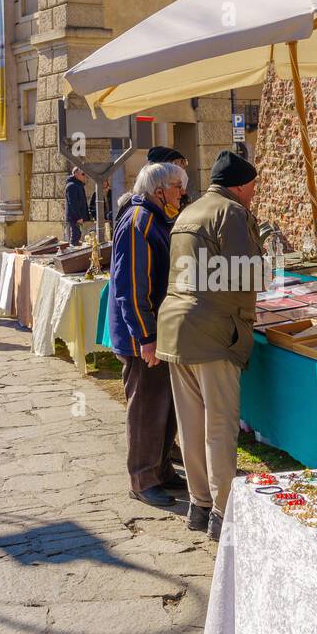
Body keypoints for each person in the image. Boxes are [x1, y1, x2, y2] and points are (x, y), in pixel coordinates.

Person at [156, 149, 263, 542]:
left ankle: (199, 505)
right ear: (239, 185)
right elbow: (246, 273)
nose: (254, 193)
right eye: (252, 186)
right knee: (219, 425)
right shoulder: (231, 212)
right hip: (213, 331)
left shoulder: (189, 211)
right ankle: (223, 510)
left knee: (191, 423)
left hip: (176, 327)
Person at [108, 161, 189, 508]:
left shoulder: (154, 217)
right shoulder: (140, 220)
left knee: (164, 405)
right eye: (177, 187)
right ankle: (142, 479)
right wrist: (146, 336)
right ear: (159, 191)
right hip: (143, 334)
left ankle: (160, 469)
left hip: (157, 330)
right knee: (146, 407)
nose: (182, 193)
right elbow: (132, 285)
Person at [64, 166, 90, 245]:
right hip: (75, 218)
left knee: (78, 237)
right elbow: (73, 203)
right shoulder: (71, 186)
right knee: (75, 237)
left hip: (78, 217)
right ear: (76, 174)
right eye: (82, 174)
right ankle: (72, 255)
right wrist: (78, 217)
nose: (84, 176)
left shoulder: (78, 185)